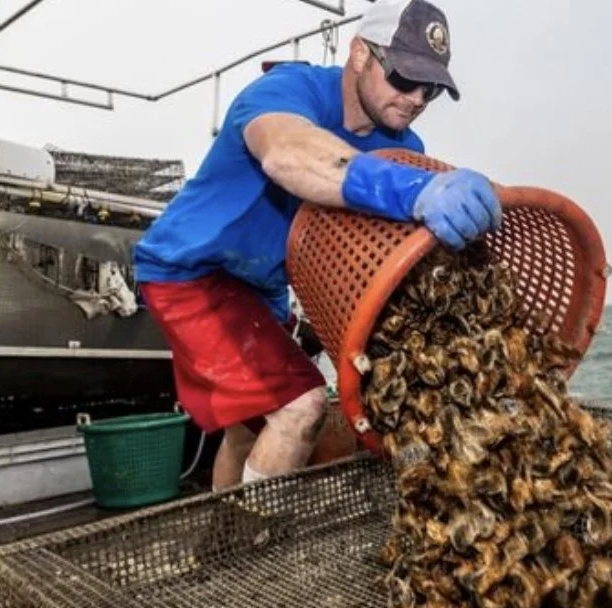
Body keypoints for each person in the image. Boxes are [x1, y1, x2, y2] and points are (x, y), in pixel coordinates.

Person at [132, 0, 502, 491]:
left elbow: (374, 255)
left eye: (431, 87)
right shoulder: (288, 90)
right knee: (300, 408)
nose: (416, 98)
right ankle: (251, 549)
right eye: (403, 77)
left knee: (249, 431)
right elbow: (287, 153)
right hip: (191, 272)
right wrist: (414, 191)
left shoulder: (404, 150)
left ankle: (220, 542)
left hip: (261, 290)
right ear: (359, 55)